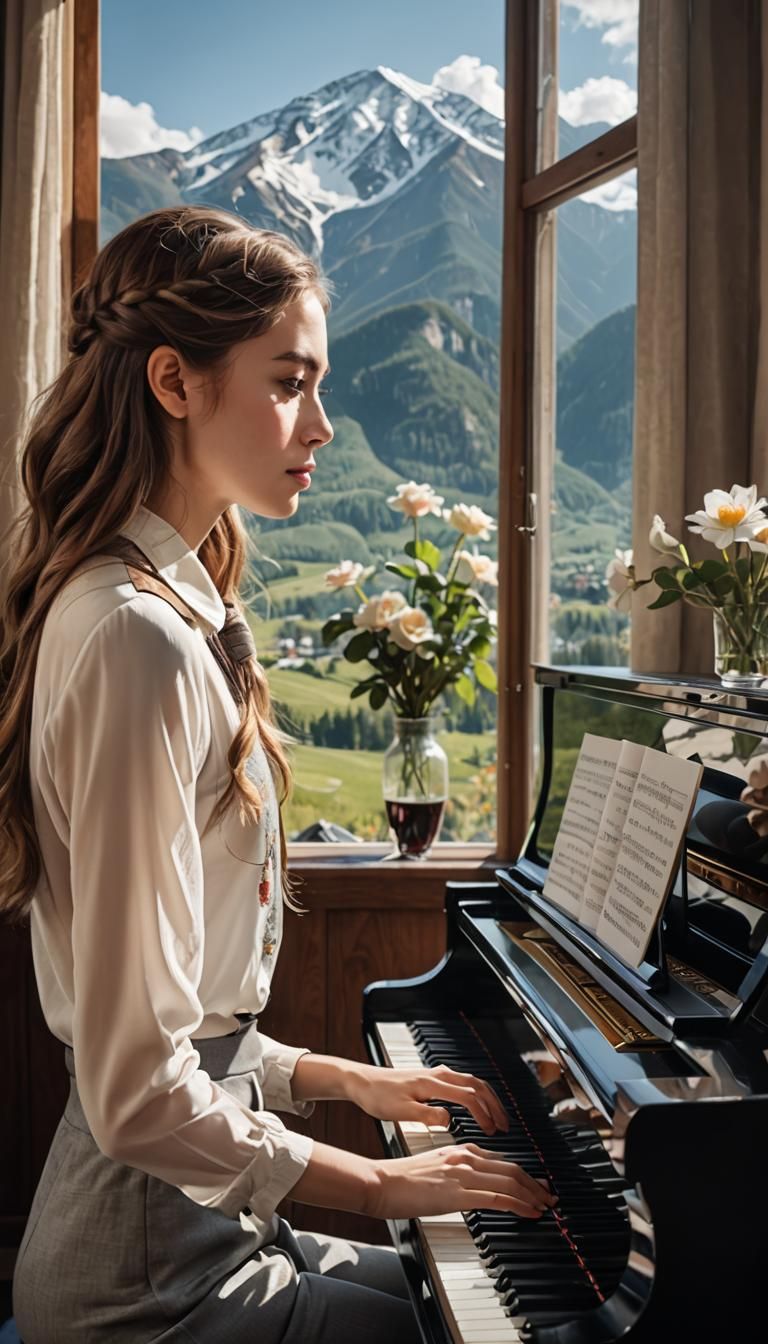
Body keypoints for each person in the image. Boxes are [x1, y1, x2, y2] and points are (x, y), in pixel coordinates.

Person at [3, 205, 556, 1343]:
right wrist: (385, 1184)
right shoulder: (133, 640)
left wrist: (347, 1084)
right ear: (174, 381)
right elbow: (135, 1085)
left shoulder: (165, 611)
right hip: (140, 1283)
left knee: (471, 1297)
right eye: (290, 382)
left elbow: (190, 1027)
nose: (323, 423)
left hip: (203, 1227)